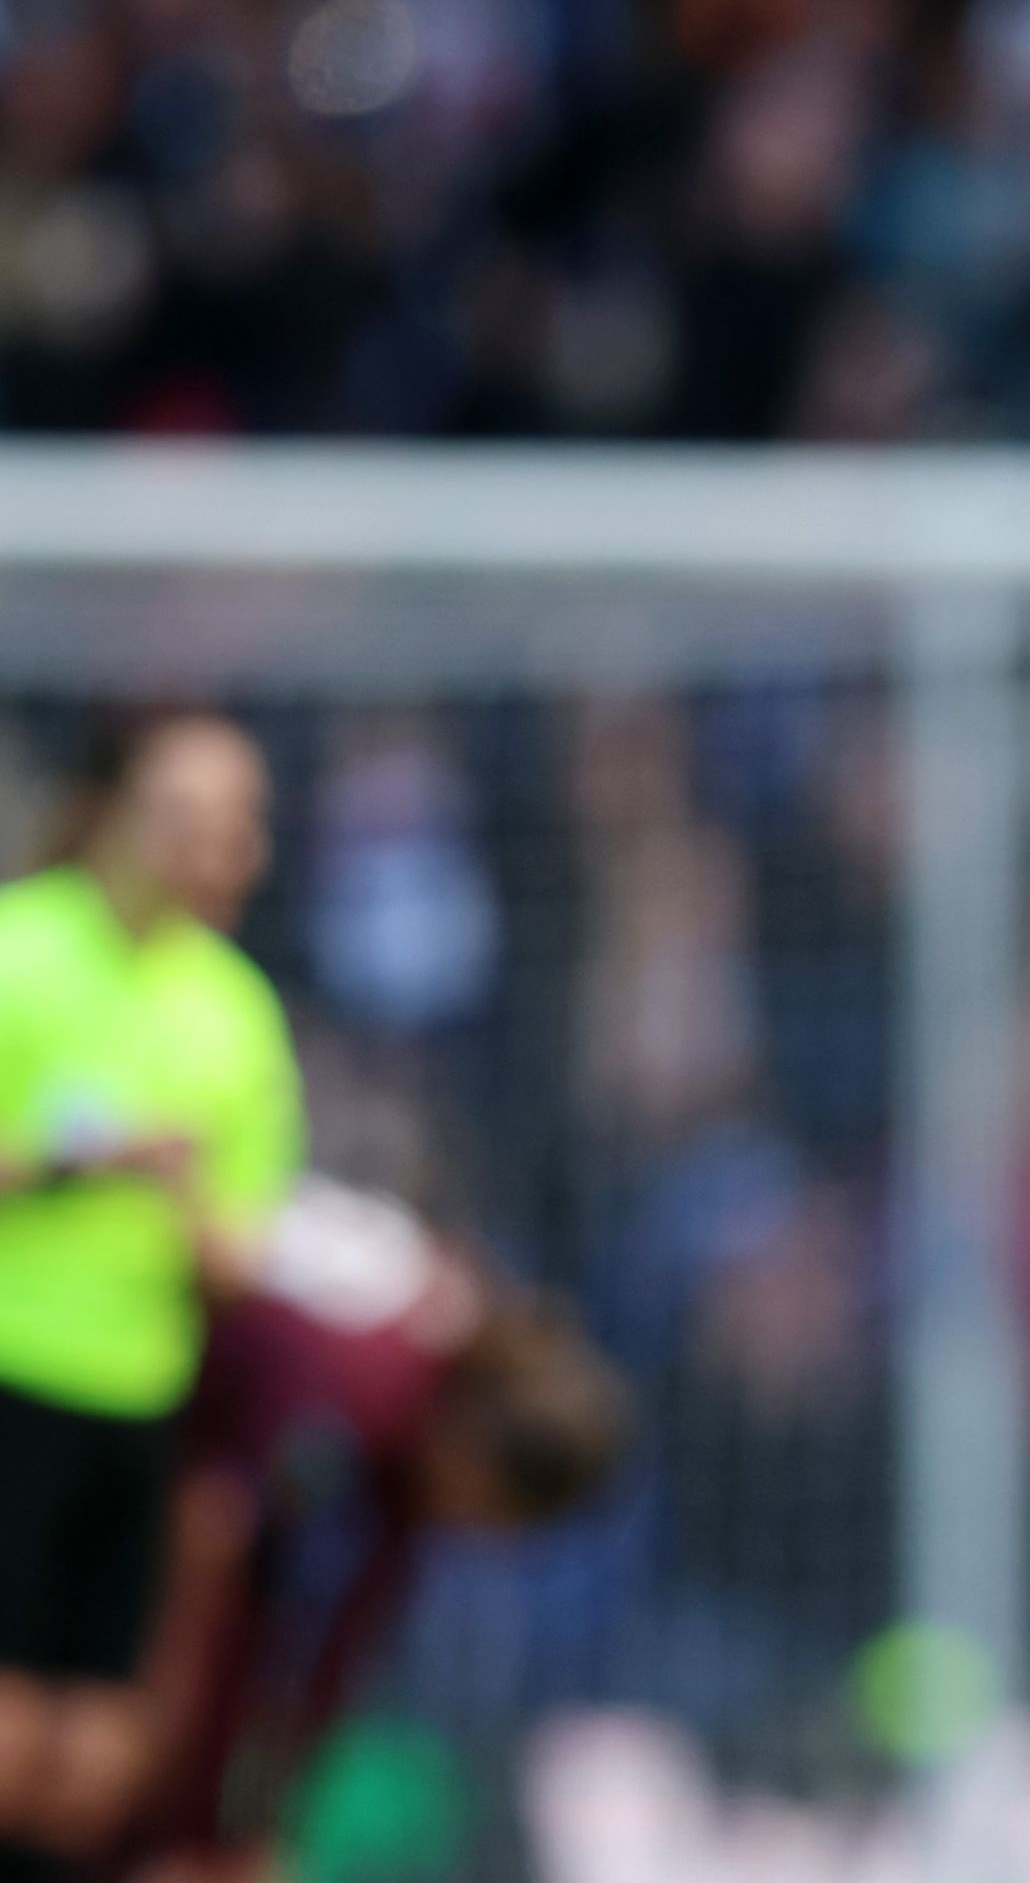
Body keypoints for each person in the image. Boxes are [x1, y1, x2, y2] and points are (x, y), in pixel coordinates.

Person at [116, 1175, 630, 1882]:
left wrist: (255, 1824)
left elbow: (318, 1655)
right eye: (495, 1516)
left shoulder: (398, 1489)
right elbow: (214, 1532)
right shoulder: (360, 1381)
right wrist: (159, 1735)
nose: (477, 1535)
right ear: (479, 1447)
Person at [0, 713, 302, 1882]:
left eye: (235, 825)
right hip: (13, 1379)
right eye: (187, 817)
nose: (213, 848)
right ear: (113, 812)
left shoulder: (236, 1011)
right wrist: (74, 1160)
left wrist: (184, 1202)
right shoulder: (20, 948)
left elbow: (242, 1256)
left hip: (137, 1403)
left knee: (96, 1750)